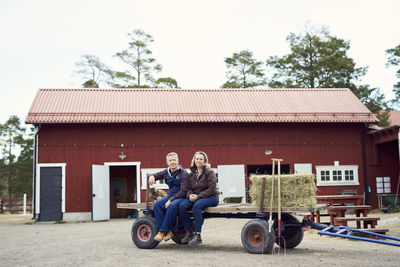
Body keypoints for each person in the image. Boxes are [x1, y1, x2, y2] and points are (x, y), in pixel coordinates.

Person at [179, 151, 219, 245]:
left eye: (201, 159)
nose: (199, 160)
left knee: (196, 206)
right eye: (197, 159)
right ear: (194, 160)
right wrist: (190, 195)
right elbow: (189, 188)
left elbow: (212, 189)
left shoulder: (210, 172)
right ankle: (189, 232)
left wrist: (198, 196)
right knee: (182, 206)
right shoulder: (192, 173)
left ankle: (198, 235)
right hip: (196, 197)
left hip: (211, 197)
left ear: (204, 161)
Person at [148, 152, 189, 242]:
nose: (172, 162)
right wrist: (152, 176)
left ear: (178, 161)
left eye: (174, 160)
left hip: (181, 197)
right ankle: (168, 231)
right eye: (170, 160)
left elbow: (184, 191)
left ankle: (162, 231)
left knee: (172, 205)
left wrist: (171, 200)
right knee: (157, 205)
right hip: (171, 195)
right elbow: (156, 175)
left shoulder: (183, 173)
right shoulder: (166, 172)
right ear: (167, 162)